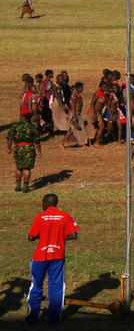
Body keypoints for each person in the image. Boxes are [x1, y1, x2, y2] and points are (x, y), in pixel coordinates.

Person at [26, 193, 79, 325]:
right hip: (57, 255)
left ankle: (32, 318)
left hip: (40, 257)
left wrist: (42, 237)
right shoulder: (65, 215)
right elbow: (74, 235)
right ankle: (54, 319)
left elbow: (31, 237)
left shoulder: (40, 216)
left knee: (36, 285)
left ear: (46, 203)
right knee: (56, 286)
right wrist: (60, 237)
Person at [8, 111, 42, 193]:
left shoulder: (15, 126)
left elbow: (9, 138)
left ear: (22, 116)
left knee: (19, 167)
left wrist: (9, 148)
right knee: (27, 168)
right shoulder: (32, 127)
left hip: (18, 148)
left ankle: (18, 186)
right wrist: (39, 150)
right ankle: (26, 186)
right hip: (29, 148)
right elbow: (37, 141)